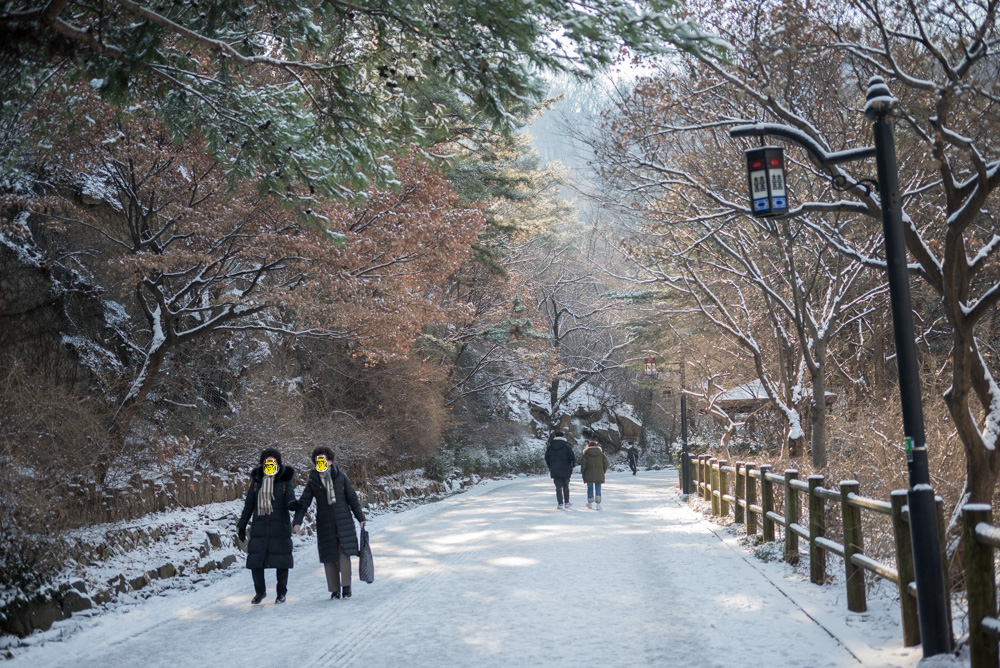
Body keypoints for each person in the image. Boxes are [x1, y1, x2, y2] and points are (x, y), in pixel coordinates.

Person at [293, 447, 367, 600]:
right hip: (325, 523)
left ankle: (346, 587)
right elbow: (304, 503)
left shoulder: (341, 477)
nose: (321, 462)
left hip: (343, 521)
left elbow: (352, 498)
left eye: (323, 459)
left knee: (343, 554)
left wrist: (360, 517)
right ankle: (334, 590)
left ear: (330, 461)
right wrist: (297, 522)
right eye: (317, 460)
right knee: (329, 557)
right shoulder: (313, 482)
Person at [237, 447, 297, 604]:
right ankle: (260, 592)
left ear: (278, 463)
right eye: (266, 461)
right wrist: (242, 526)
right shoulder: (257, 482)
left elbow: (290, 497)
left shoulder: (285, 481)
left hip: (280, 527)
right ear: (263, 463)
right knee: (256, 562)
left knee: (282, 562)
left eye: (273, 461)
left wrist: (293, 504)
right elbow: (249, 505)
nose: (269, 463)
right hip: (260, 527)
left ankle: (281, 593)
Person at [544, 430, 576, 510]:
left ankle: (560, 503)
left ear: (555, 436)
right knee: (566, 486)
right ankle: (567, 502)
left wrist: (550, 466)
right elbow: (572, 458)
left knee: (558, 487)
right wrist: (571, 466)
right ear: (563, 437)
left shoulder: (550, 447)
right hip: (566, 469)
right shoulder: (567, 446)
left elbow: (546, 458)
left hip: (555, 469)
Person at [580, 440, 610, 510]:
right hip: (599, 474)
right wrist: (603, 471)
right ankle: (598, 504)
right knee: (598, 488)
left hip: (589, 474)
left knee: (590, 488)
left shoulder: (586, 454)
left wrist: (583, 472)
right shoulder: (601, 454)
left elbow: (583, 465)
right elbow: (606, 463)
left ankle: (590, 503)